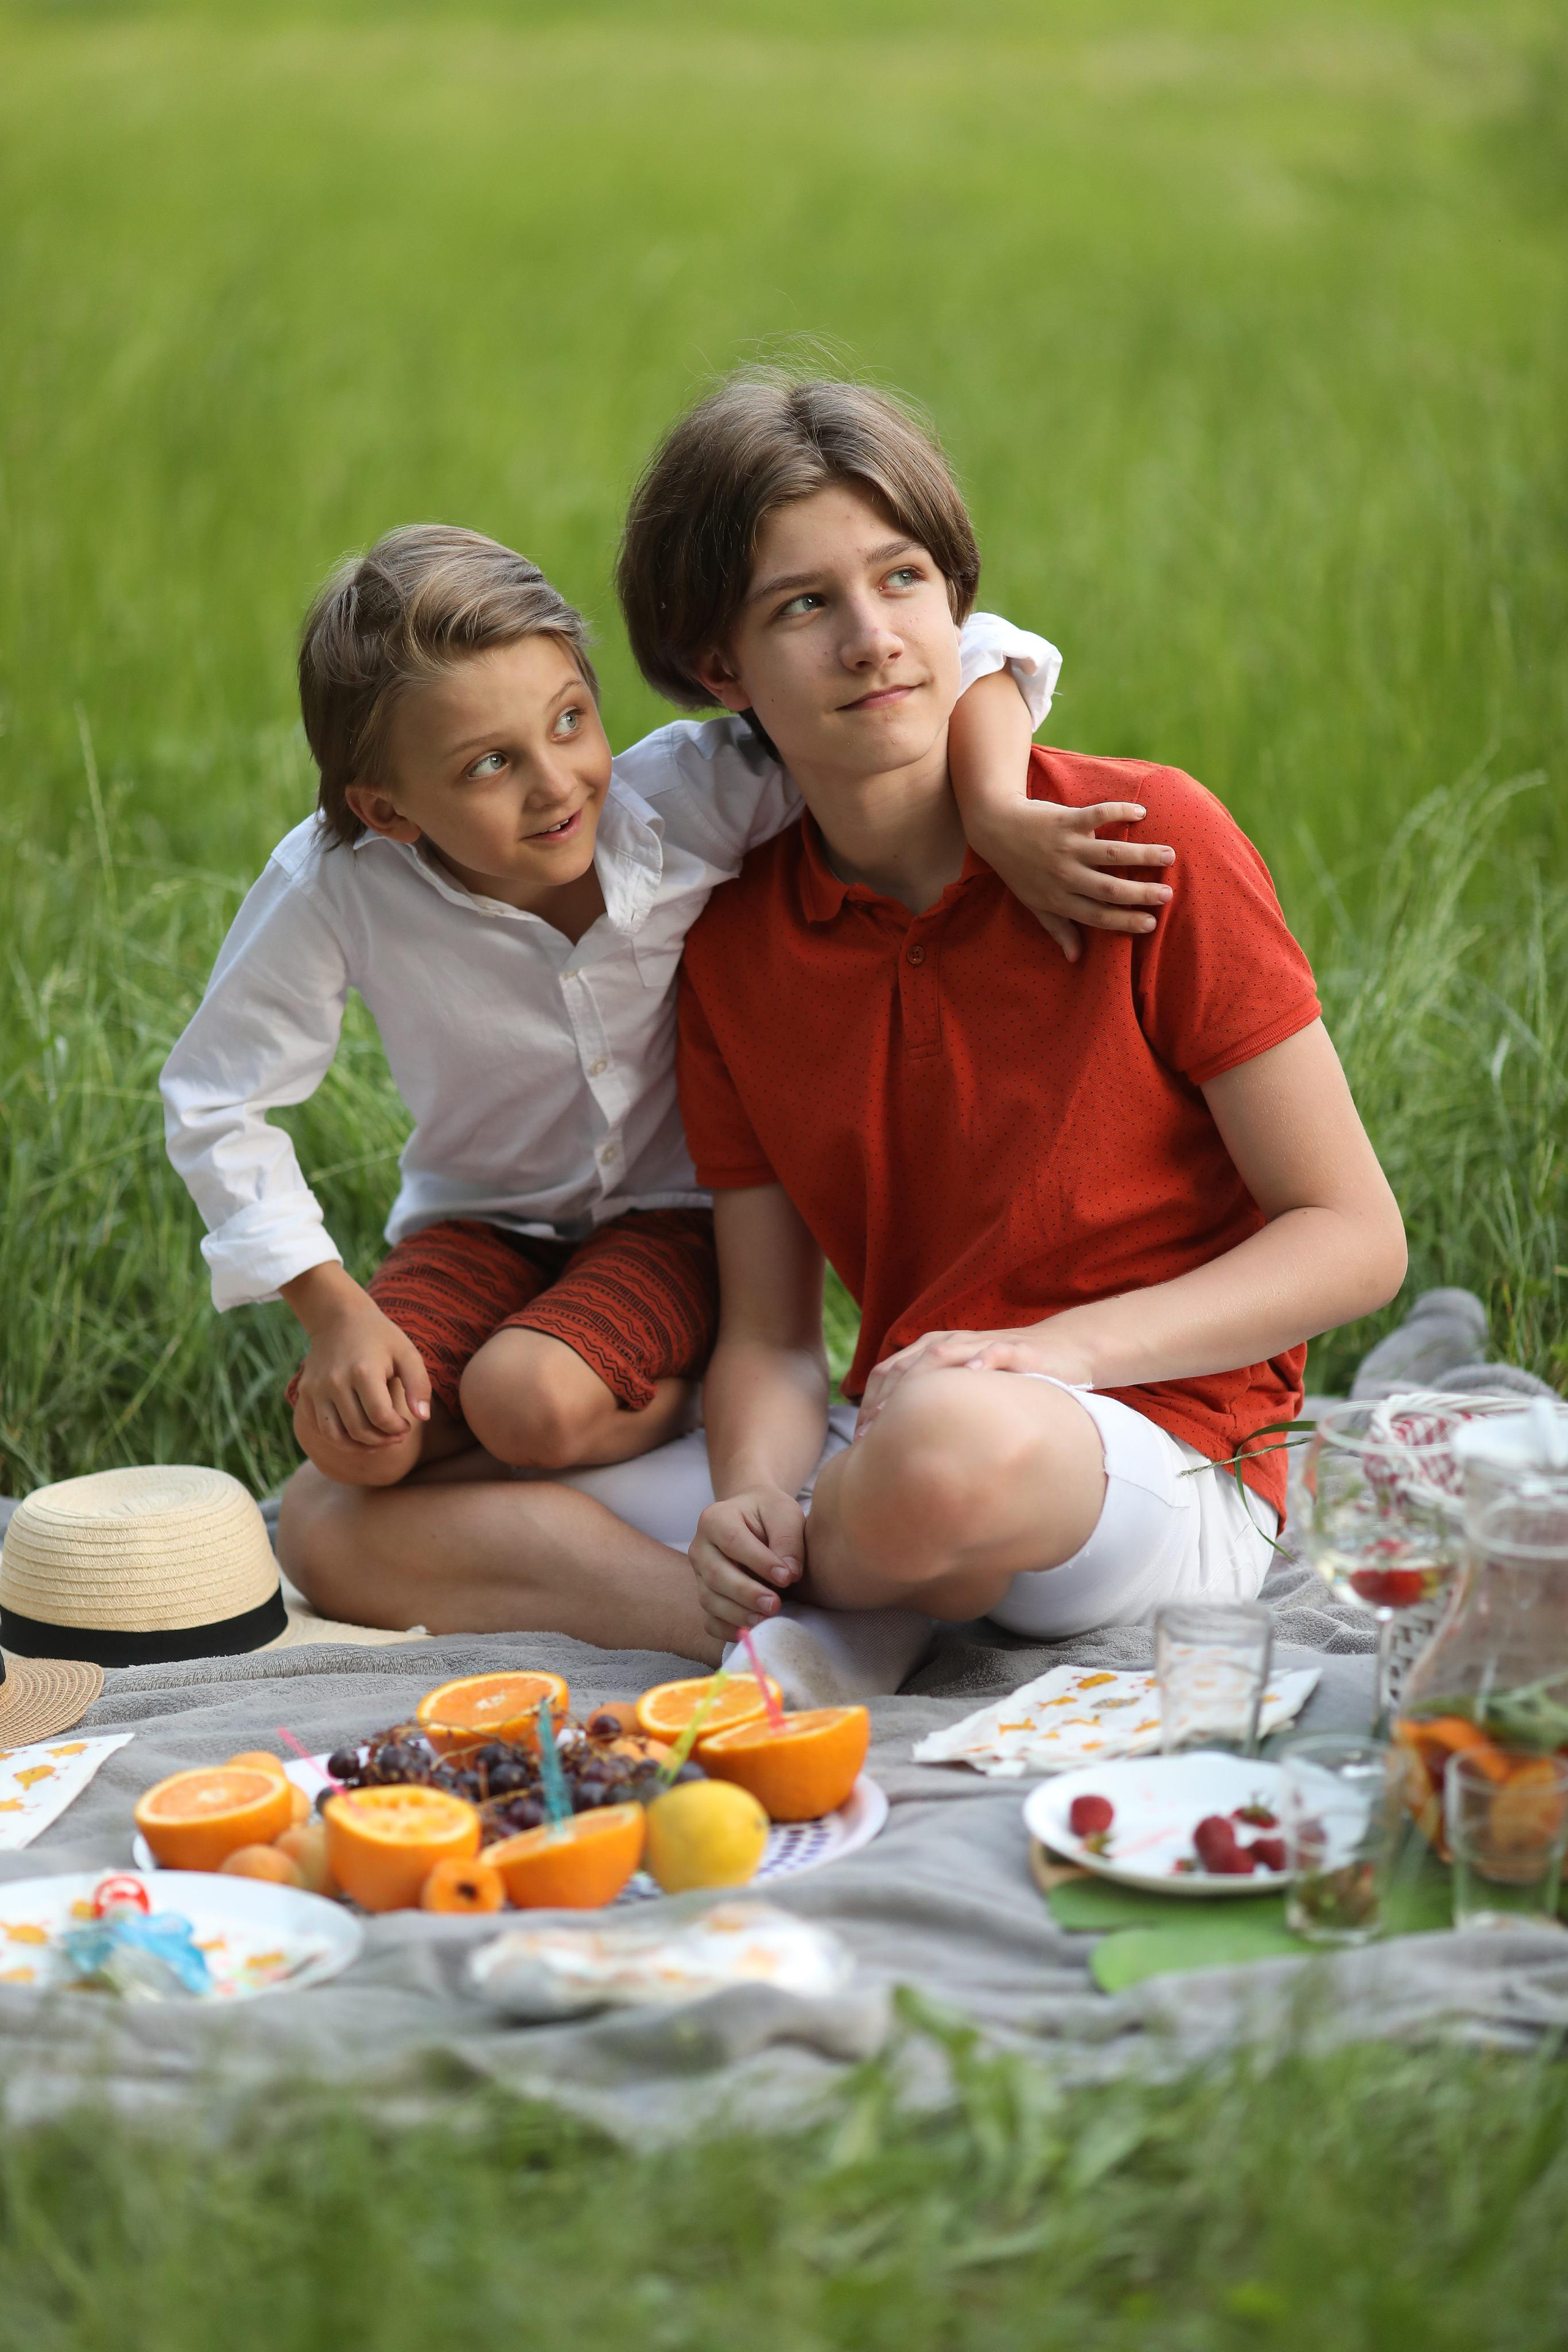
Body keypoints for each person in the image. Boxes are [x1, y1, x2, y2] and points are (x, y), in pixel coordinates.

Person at [162, 522, 1164, 1646]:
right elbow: (213, 1097)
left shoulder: (687, 798)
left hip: (673, 1221)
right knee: (348, 1443)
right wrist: (330, 1308)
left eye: (569, 723)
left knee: (523, 1399)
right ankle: (612, 1465)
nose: (555, 786)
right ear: (388, 812)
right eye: (489, 765)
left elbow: (977, 650)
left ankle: (688, 1406)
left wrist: (994, 806)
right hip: (479, 1223)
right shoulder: (334, 884)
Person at [611, 371, 1409, 1648]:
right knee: (340, 1523)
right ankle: (796, 1588)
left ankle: (832, 1623)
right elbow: (765, 1337)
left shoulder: (1143, 837)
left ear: (955, 599)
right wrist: (754, 1499)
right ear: (720, 666)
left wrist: (1061, 1355)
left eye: (901, 579)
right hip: (906, 1428)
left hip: (1159, 1453)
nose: (869, 637)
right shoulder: (729, 946)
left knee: (942, 1449)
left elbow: (1354, 1238)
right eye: (803, 606)